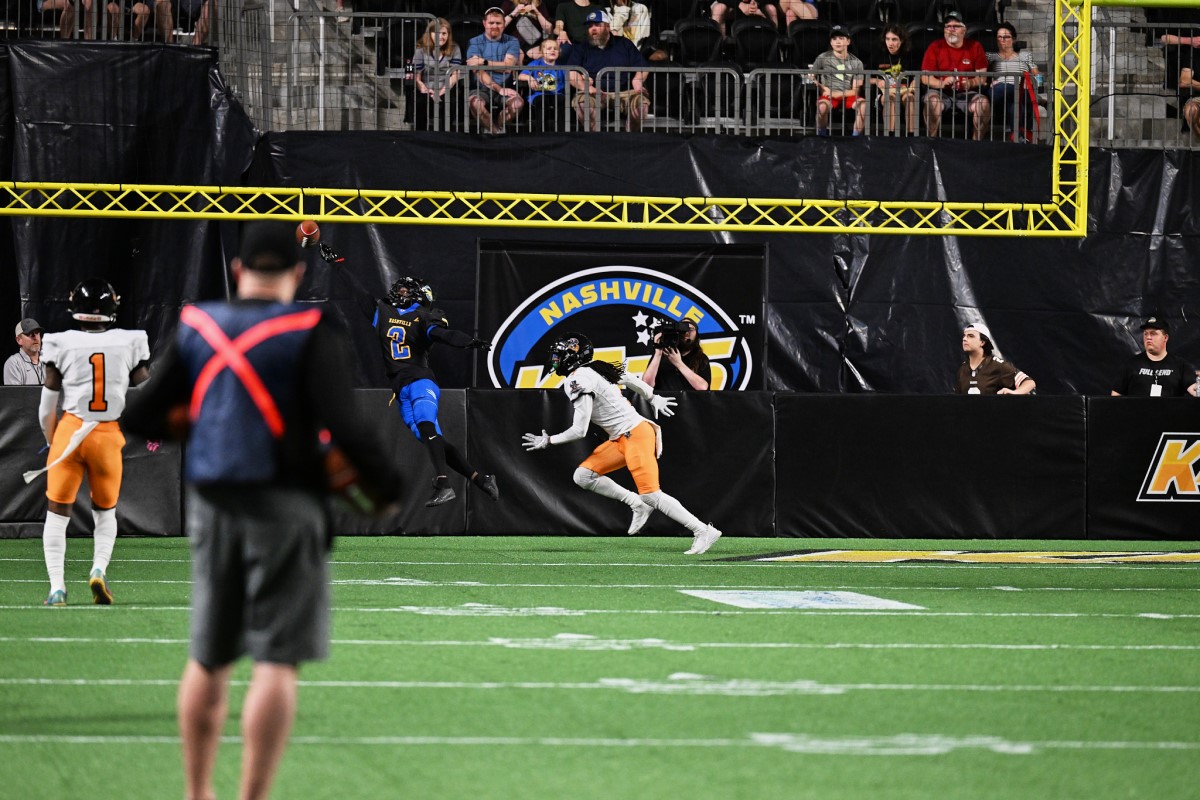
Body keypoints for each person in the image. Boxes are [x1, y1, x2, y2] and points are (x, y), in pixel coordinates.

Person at [122, 222, 405, 800]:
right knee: (276, 661)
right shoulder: (312, 327)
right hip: (288, 504)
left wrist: (203, 424)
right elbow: (346, 427)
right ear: (298, 274)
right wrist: (388, 486)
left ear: (237, 270)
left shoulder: (199, 324)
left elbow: (142, 417)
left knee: (208, 658)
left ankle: (197, 792)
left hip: (213, 502)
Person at [318, 244, 499, 507]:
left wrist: (466, 341)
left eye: (406, 290)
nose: (400, 292)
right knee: (431, 438)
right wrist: (337, 266)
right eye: (400, 289)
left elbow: (441, 334)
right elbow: (359, 293)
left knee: (426, 425)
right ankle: (481, 479)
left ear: (420, 296)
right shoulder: (383, 312)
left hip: (420, 380)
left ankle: (443, 484)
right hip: (400, 388)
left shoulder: (425, 316)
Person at [521, 332, 723, 555]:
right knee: (583, 476)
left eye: (558, 355)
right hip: (621, 438)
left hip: (635, 434)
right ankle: (636, 504)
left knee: (651, 494)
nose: (554, 359)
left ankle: (703, 530)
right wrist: (651, 396)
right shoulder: (596, 368)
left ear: (571, 356)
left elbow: (580, 430)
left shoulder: (578, 379)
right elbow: (628, 378)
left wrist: (549, 440)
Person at [30, 279, 150, 606]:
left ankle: (57, 588)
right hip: (107, 434)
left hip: (70, 430)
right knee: (105, 512)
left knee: (57, 514)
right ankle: (98, 568)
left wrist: (53, 441)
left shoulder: (61, 342)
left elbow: (46, 408)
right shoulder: (129, 341)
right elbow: (148, 391)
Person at [561, 9, 651, 132]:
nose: (593, 29)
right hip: (594, 93)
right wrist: (587, 88)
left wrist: (637, 81)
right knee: (583, 104)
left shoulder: (625, 44)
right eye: (590, 26)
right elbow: (571, 73)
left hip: (625, 92)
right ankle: (595, 138)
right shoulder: (581, 47)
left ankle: (630, 138)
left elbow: (642, 67)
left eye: (597, 25)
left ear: (607, 26)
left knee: (641, 104)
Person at [921, 10, 990, 141]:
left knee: (984, 104)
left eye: (955, 26)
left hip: (967, 93)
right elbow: (925, 77)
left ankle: (977, 144)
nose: (951, 30)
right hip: (940, 92)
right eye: (948, 26)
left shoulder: (975, 46)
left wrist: (970, 83)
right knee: (932, 102)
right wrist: (942, 83)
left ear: (964, 30)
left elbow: (982, 77)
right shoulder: (935, 47)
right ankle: (931, 143)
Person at [466, 7, 525, 134]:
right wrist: (499, 88)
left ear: (504, 24)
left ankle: (498, 126)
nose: (494, 26)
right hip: (480, 88)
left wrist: (484, 62)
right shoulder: (475, 42)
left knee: (518, 104)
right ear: (484, 23)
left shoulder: (512, 41)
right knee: (475, 103)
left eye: (498, 23)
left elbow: (508, 67)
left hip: (506, 86)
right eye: (491, 23)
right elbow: (479, 72)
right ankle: (494, 132)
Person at [1111, 316, 1198, 397]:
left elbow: (1195, 390)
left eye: (1153, 333)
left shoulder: (1180, 366)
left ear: (1165, 338)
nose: (1148, 337)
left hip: (1170, 409)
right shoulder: (1131, 365)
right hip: (1138, 409)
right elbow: (1115, 396)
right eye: (1145, 334)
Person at [813, 25, 867, 137]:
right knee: (822, 107)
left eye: (841, 38)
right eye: (834, 39)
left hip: (848, 94)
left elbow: (856, 90)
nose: (837, 42)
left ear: (848, 41)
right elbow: (810, 76)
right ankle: (821, 136)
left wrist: (839, 94)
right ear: (831, 42)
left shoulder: (857, 62)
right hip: (828, 94)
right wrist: (821, 87)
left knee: (864, 106)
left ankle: (855, 138)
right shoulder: (822, 58)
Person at [987, 23, 1038, 142]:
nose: (1002, 40)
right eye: (999, 37)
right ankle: (1025, 132)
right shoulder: (990, 56)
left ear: (1013, 39)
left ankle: (1017, 136)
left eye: (1006, 37)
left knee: (1015, 103)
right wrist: (990, 81)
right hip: (999, 89)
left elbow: (1036, 75)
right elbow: (982, 73)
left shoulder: (1025, 56)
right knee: (1015, 93)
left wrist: (1031, 81)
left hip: (1020, 91)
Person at [953, 322, 1035, 395]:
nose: (964, 339)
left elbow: (1029, 382)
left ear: (982, 342)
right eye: (964, 336)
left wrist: (1014, 393)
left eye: (971, 336)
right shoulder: (962, 369)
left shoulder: (998, 365)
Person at [412, 17, 464, 132]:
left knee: (449, 102)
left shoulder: (455, 48)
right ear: (430, 34)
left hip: (446, 86)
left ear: (448, 34)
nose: (441, 37)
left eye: (444, 33)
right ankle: (420, 134)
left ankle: (446, 135)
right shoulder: (420, 49)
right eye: (436, 33)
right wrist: (423, 88)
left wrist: (441, 91)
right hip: (426, 86)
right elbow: (417, 75)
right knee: (421, 102)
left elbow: (455, 74)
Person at [871, 24, 917, 136]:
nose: (890, 43)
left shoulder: (911, 54)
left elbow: (918, 76)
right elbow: (866, 77)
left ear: (902, 40)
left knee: (910, 98)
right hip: (885, 92)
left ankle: (911, 136)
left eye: (894, 39)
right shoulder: (878, 54)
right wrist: (877, 81)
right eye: (887, 39)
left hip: (905, 91)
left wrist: (914, 83)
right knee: (890, 98)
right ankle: (889, 136)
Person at [641, 318, 711, 391]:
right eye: (683, 328)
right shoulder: (662, 355)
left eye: (691, 329)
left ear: (697, 334)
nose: (687, 332)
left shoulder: (701, 358)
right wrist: (658, 353)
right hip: (663, 398)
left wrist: (678, 363)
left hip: (689, 399)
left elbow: (703, 387)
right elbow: (646, 385)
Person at [519, 37, 569, 131]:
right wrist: (529, 78)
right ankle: (541, 131)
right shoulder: (535, 64)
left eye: (555, 49)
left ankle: (561, 130)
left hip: (556, 94)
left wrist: (582, 77)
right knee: (541, 101)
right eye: (549, 48)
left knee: (561, 100)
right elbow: (521, 76)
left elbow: (571, 77)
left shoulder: (562, 66)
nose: (553, 50)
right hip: (539, 94)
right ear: (542, 52)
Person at [5, 318, 44, 386]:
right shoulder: (14, 363)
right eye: (30, 334)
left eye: (37, 333)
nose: (35, 337)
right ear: (19, 340)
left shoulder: (49, 360)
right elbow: (15, 393)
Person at [710, 0, 779, 35]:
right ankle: (718, 46)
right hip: (732, 5)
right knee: (718, 8)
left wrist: (757, 2)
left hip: (756, 6)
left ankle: (774, 45)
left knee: (771, 9)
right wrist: (739, 4)